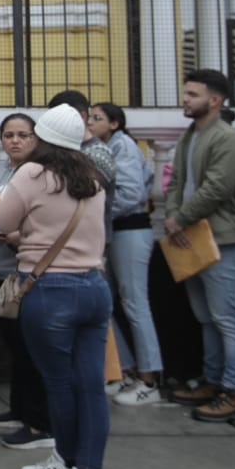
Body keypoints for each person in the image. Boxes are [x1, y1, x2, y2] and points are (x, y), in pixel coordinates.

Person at [0, 104, 111, 469]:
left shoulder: (31, 173)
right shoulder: (92, 179)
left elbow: (1, 218)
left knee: (59, 385)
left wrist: (23, 226)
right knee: (91, 387)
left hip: (50, 290)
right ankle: (73, 464)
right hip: (94, 287)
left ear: (42, 137)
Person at [164, 69, 235, 422]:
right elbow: (175, 183)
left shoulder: (227, 138)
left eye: (192, 94)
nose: (185, 100)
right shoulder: (190, 136)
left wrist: (179, 218)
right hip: (188, 236)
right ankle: (212, 381)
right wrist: (174, 217)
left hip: (221, 239)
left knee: (226, 318)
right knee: (205, 318)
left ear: (214, 101)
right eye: (186, 93)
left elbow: (217, 188)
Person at [0, 113, 53, 449]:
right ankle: (19, 408)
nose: (15, 141)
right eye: (8, 135)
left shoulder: (38, 173)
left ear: (36, 140)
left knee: (30, 346)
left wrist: (15, 233)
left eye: (23, 135)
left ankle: (39, 421)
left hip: (25, 269)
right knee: (12, 343)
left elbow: (44, 220)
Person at [89, 102, 162, 406]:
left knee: (135, 303)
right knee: (106, 304)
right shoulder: (104, 148)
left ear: (115, 123)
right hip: (112, 232)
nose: (91, 122)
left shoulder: (125, 147)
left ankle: (150, 379)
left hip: (131, 231)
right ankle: (126, 371)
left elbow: (132, 194)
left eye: (97, 118)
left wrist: (96, 213)